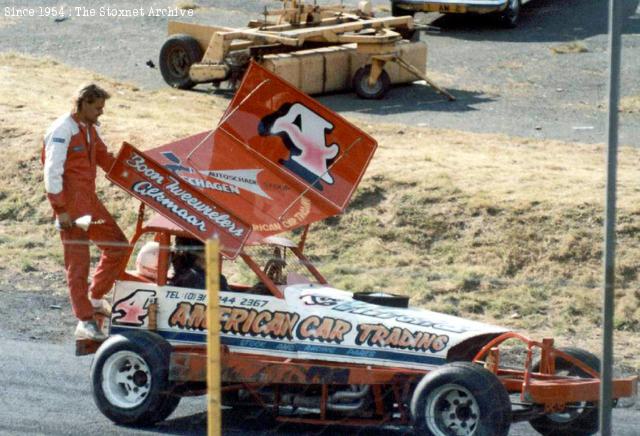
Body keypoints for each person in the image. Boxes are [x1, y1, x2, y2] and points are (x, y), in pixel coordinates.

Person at [42, 84, 129, 341]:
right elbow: (51, 173)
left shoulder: (89, 129)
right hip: (71, 207)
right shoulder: (62, 129)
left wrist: (135, 176)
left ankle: (95, 298)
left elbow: (105, 158)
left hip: (89, 203)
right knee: (78, 263)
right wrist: (60, 210)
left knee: (118, 246)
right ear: (83, 104)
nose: (101, 113)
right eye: (98, 108)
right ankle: (84, 320)